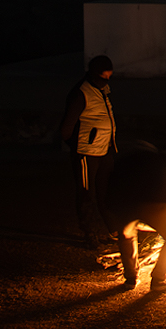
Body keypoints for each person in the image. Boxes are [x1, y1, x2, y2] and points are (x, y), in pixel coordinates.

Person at [105, 147, 166, 291]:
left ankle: (130, 279)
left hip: (126, 204)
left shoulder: (122, 161)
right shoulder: (164, 160)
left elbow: (110, 185)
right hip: (156, 203)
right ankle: (159, 279)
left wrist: (113, 215)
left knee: (126, 236)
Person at [59, 55, 118, 246]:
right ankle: (90, 233)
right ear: (94, 75)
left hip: (104, 150)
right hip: (86, 154)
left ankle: (114, 229)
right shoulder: (81, 93)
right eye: (103, 77)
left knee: (107, 192)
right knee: (87, 193)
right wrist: (78, 147)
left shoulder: (102, 89)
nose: (107, 81)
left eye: (109, 77)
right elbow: (66, 128)